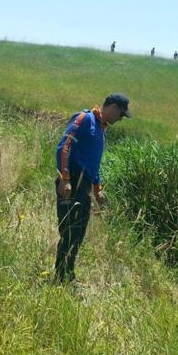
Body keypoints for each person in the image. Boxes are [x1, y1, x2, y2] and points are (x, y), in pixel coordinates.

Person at [54, 93, 131, 283]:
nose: (120, 119)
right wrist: (65, 178)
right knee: (69, 231)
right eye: (121, 114)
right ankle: (61, 277)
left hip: (84, 186)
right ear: (113, 107)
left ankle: (68, 274)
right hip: (72, 182)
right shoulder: (85, 119)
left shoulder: (101, 129)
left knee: (78, 232)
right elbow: (64, 147)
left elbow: (93, 164)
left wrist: (97, 189)